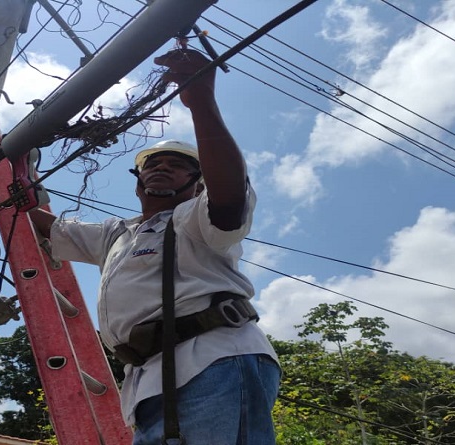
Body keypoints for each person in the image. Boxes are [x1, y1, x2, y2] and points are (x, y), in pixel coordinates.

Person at [29, 48, 280, 445]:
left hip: (213, 361)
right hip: (146, 385)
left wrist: (201, 104)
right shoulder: (117, 234)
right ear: (137, 181)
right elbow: (46, 227)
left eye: (177, 165)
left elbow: (228, 196)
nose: (161, 167)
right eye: (153, 164)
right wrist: (1, 178)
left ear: (198, 185)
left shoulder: (194, 218)